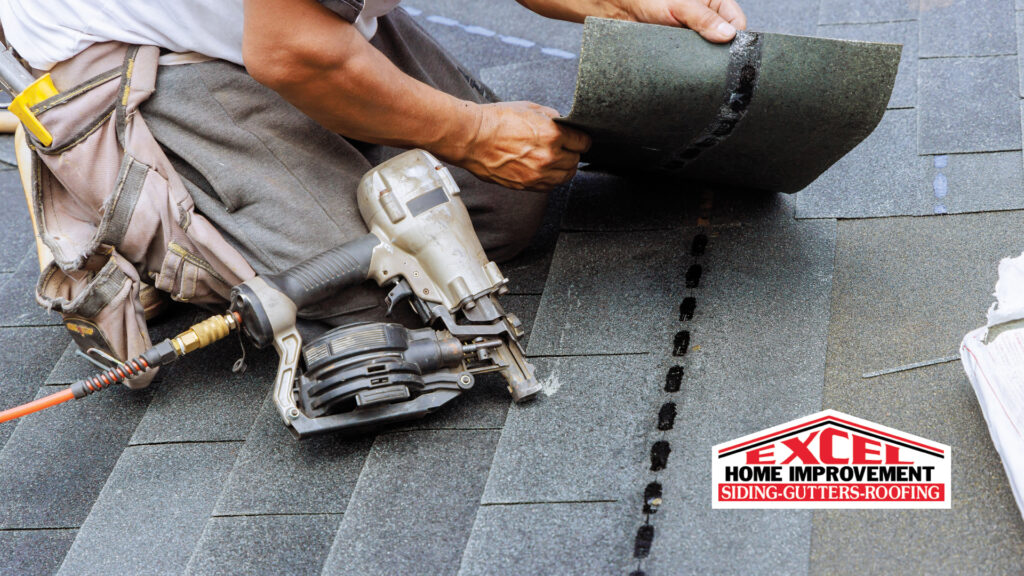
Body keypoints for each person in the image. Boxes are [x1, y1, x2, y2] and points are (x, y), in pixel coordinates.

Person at [0, 0, 746, 323]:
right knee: (355, 292)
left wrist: (635, 8)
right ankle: (118, 205)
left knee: (496, 210)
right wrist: (477, 133)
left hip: (286, 21)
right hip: (127, 49)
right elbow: (290, 51)